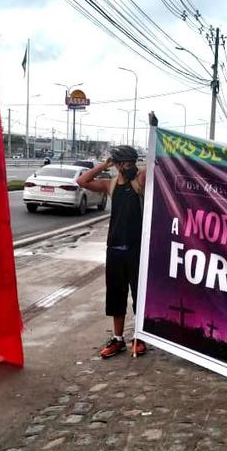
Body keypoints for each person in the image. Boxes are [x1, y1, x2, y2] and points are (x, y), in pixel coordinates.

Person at [77, 145, 147, 358]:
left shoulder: (139, 181)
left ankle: (140, 337)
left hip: (138, 250)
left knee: (139, 296)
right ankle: (118, 340)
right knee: (116, 297)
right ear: (117, 165)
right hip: (115, 249)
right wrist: (105, 164)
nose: (130, 166)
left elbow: (156, 168)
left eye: (132, 162)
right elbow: (82, 181)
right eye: (126, 162)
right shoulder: (112, 184)